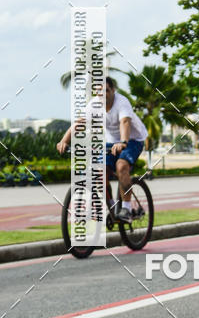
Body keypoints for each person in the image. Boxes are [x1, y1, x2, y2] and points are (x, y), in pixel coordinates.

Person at [56, 76, 148, 222]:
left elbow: (125, 122)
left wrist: (123, 142)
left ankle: (126, 208)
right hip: (112, 142)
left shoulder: (122, 102)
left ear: (113, 90)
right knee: (100, 171)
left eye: (106, 91)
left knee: (121, 166)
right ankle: (112, 207)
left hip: (133, 140)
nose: (102, 95)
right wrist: (64, 141)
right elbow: (80, 123)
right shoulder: (94, 105)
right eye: (99, 92)